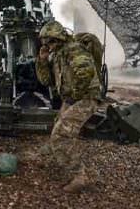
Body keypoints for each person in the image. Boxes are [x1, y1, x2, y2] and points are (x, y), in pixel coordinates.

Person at [35, 20, 101, 193]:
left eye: (50, 41)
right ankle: (57, 156)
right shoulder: (59, 54)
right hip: (74, 98)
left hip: (86, 98)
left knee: (62, 135)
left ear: (58, 38)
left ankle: (80, 177)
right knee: (58, 127)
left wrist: (75, 97)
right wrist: (42, 61)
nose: (47, 45)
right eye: (45, 42)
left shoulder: (74, 49)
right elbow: (46, 81)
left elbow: (85, 74)